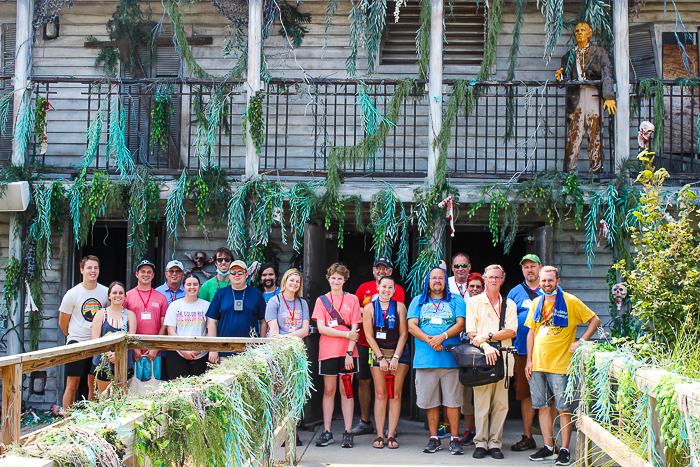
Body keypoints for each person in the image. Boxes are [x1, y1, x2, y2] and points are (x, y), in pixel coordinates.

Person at [526, 266, 601, 466]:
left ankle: (565, 449)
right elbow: (531, 333)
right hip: (538, 364)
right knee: (542, 408)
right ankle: (549, 447)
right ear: (539, 282)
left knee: (563, 409)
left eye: (550, 281)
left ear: (557, 281)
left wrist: (581, 341)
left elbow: (595, 320)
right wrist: (529, 361)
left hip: (560, 364)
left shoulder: (570, 301)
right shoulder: (537, 302)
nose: (547, 284)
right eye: (543, 281)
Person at [408, 267, 466, 455]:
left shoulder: (456, 300)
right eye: (434, 278)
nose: (437, 281)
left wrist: (442, 336)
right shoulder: (418, 300)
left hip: (451, 360)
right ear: (428, 281)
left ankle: (454, 439)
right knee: (431, 402)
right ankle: (434, 439)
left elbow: (461, 323)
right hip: (426, 360)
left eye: (441, 278)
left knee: (453, 401)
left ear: (445, 281)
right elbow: (411, 326)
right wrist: (431, 341)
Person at [465, 264, 518, 460]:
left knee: (501, 404)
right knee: (481, 404)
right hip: (481, 358)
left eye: (497, 277)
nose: (493, 280)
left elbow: (511, 331)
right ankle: (480, 443)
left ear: (502, 280)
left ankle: (495, 443)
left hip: (504, 357)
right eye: (490, 277)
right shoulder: (474, 302)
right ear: (484, 279)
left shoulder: (509, 304)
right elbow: (471, 331)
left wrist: (487, 336)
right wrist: (485, 346)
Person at [352, 257, 406, 437]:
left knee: (391, 390)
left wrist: (366, 311)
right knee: (365, 383)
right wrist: (366, 311)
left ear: (390, 272)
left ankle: (390, 428)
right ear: (373, 270)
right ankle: (366, 421)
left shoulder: (396, 293)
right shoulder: (363, 288)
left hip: (392, 346)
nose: (381, 271)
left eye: (385, 268)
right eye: (378, 268)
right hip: (366, 344)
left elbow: (397, 321)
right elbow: (355, 310)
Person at [313, 263, 362, 449]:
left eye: (339, 278)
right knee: (328, 390)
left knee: (347, 390)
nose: (336, 281)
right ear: (328, 279)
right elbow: (322, 328)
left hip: (348, 352)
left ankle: (348, 432)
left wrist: (350, 352)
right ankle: (327, 431)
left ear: (345, 280)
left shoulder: (353, 300)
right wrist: (345, 334)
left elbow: (355, 326)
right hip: (328, 350)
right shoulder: (321, 301)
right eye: (333, 278)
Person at [556, 22, 616, 174]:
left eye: (583, 30)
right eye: (577, 31)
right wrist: (560, 77)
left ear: (590, 33)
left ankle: (595, 174)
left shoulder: (600, 52)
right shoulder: (568, 56)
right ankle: (570, 174)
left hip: (593, 94)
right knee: (574, 135)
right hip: (576, 95)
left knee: (595, 134)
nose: (579, 33)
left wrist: (609, 96)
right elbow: (565, 78)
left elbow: (607, 74)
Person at [362, 276, 409, 449]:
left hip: (399, 353)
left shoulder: (400, 307)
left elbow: (404, 334)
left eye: (390, 287)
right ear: (378, 287)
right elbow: (368, 336)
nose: (386, 290)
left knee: (395, 394)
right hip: (378, 353)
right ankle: (380, 434)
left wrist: (395, 357)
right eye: (384, 286)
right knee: (380, 394)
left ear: (394, 290)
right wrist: (381, 358)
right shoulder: (369, 308)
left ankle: (391, 435)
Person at [59, 255, 108, 408]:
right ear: (82, 270)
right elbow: (62, 322)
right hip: (77, 342)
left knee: (93, 386)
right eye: (89, 268)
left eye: (96, 268)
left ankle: (90, 420)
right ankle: (67, 419)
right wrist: (72, 337)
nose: (93, 271)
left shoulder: (105, 292)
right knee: (72, 384)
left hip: (97, 343)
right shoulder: (72, 294)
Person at [506, 254, 544, 452]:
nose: (530, 270)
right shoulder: (514, 292)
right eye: (526, 267)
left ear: (540, 267)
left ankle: (549, 439)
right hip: (521, 350)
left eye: (533, 266)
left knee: (550, 394)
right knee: (525, 394)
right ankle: (528, 436)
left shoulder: (550, 290)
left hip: (547, 352)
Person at [206, 260, 268, 363]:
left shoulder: (256, 294)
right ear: (229, 276)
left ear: (246, 274)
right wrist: (213, 348)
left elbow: (263, 321)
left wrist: (261, 346)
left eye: (240, 272)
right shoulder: (221, 294)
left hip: (250, 352)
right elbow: (212, 321)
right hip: (225, 350)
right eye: (233, 273)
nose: (237, 275)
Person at [123, 260, 169, 383]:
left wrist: (155, 347)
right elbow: (123, 325)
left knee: (152, 388)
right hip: (133, 351)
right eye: (142, 271)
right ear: (136, 274)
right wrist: (133, 348)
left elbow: (163, 325)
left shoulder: (161, 298)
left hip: (154, 352)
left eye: (149, 272)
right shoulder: (127, 296)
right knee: (133, 387)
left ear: (153, 275)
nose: (146, 274)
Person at [90, 281, 137, 395]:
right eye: (114, 293)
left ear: (125, 296)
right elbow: (95, 338)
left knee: (121, 396)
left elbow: (130, 340)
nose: (117, 295)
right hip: (103, 362)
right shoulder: (101, 314)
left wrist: (118, 355)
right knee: (104, 396)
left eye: (121, 293)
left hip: (124, 362)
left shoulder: (130, 315)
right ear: (109, 296)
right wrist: (109, 354)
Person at [163, 273, 210, 379]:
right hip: (177, 353)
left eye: (195, 284)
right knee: (178, 388)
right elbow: (171, 332)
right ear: (183, 287)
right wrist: (184, 350)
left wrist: (198, 350)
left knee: (198, 388)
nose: (192, 287)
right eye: (189, 284)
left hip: (201, 354)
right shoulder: (174, 305)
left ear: (199, 286)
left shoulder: (206, 306)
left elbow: (209, 332)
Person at [459, 272, 484, 446]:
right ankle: (469, 429)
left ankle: (483, 430)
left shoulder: (487, 304)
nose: (474, 289)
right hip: (465, 353)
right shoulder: (461, 304)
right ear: (466, 288)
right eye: (472, 286)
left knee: (482, 394)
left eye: (478, 286)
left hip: (483, 352)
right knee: (465, 394)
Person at [266, 268, 310, 338]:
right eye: (291, 280)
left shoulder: (303, 303)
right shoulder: (274, 301)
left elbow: (305, 330)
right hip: (278, 345)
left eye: (297, 281)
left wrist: (285, 337)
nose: (294, 283)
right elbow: (273, 330)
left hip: (296, 346)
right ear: (285, 281)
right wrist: (282, 340)